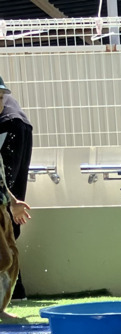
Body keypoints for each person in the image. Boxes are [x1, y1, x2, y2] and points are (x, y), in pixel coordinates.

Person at [0, 76, 33, 301]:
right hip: (18, 125)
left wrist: (10, 200)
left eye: (1, 97)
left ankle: (13, 291)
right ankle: (14, 292)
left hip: (11, 126)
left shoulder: (6, 118)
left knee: (5, 213)